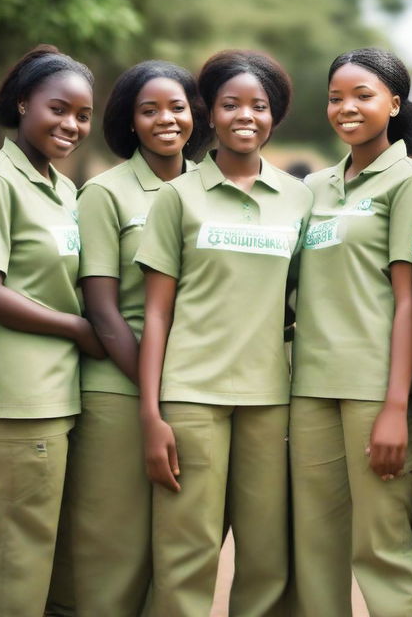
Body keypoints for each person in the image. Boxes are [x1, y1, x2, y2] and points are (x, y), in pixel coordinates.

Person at [135, 49, 313, 617]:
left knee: (266, 557)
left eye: (259, 106)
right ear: (208, 113)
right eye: (231, 104)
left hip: (269, 398)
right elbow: (156, 313)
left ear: (274, 115)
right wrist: (150, 413)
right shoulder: (176, 198)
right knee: (186, 552)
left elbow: (299, 298)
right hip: (190, 398)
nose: (246, 116)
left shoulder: (298, 199)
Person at [289, 48, 412, 617]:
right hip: (310, 390)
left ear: (395, 104)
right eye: (335, 97)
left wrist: (396, 405)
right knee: (316, 548)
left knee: (382, 547)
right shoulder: (316, 188)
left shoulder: (409, 184)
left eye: (363, 95)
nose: (346, 107)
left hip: (375, 389)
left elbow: (408, 300)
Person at [0, 45, 103, 617]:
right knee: (19, 554)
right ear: (23, 104)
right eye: (58, 108)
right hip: (18, 398)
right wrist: (79, 329)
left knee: (64, 550)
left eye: (83, 115)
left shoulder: (65, 191)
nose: (71, 125)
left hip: (62, 391)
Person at [65, 60, 211, 616]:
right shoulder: (105, 194)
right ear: (129, 121)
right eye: (148, 110)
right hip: (121, 393)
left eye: (176, 107)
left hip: (194, 394)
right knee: (115, 547)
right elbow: (102, 311)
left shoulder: (209, 190)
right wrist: (160, 388)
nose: (165, 120)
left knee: (175, 551)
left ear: (196, 114)